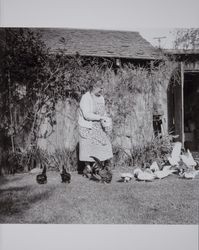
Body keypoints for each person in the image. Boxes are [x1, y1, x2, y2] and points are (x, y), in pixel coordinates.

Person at [78, 79, 113, 174]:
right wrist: (100, 117)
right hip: (88, 126)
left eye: (102, 87)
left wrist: (105, 117)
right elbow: (87, 115)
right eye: (100, 88)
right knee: (89, 148)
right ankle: (88, 168)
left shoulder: (101, 98)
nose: (102, 90)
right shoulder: (86, 97)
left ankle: (99, 167)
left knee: (104, 145)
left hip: (99, 125)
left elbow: (103, 110)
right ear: (94, 87)